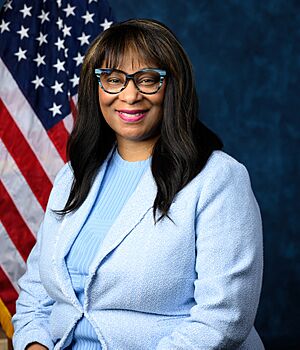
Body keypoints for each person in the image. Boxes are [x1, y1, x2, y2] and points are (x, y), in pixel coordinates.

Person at [12, 19, 264, 349]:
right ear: (96, 88)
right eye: (113, 80)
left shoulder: (218, 178)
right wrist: (34, 345)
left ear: (172, 86)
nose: (129, 95)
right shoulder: (73, 176)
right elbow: (36, 296)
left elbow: (222, 319)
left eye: (147, 80)